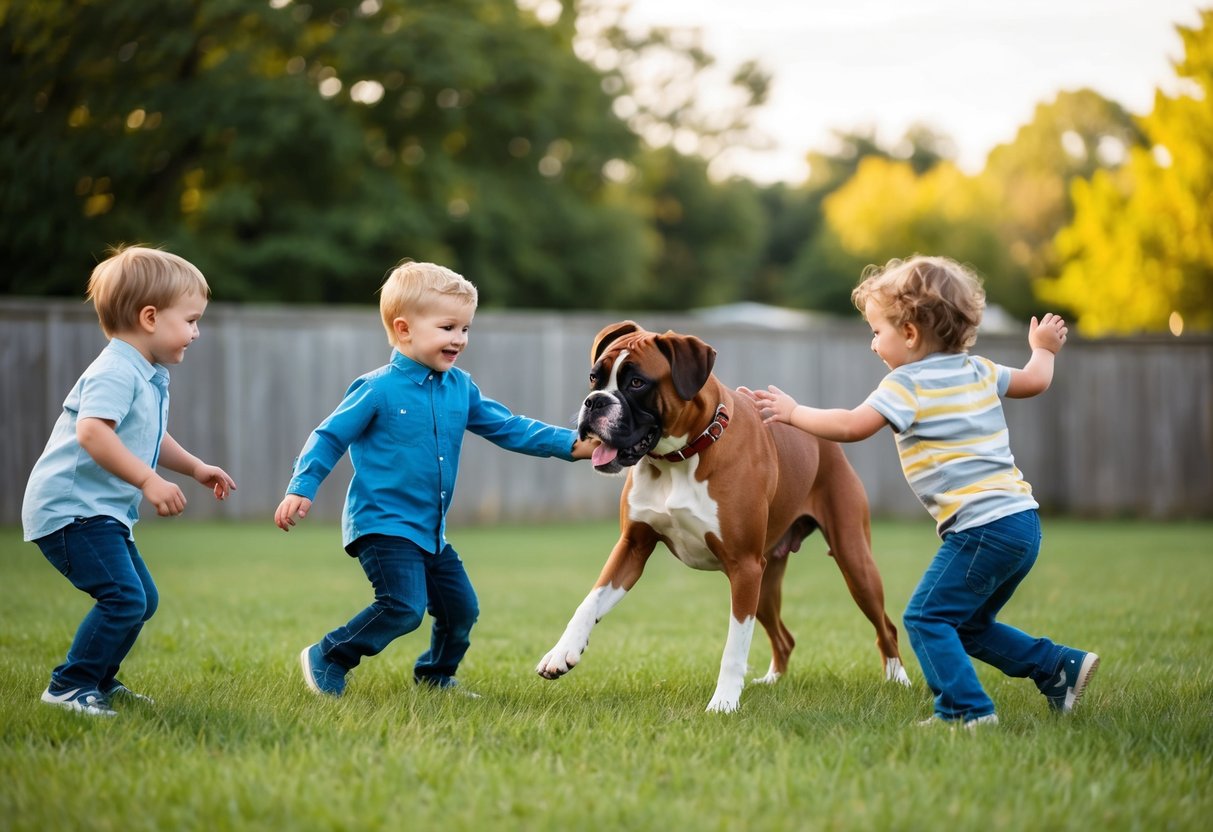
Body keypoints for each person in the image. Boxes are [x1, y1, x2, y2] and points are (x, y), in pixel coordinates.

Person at [741, 255, 1098, 728]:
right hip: (1022, 524)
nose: (873, 345)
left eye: (876, 332)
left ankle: (966, 711)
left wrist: (792, 412)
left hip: (980, 530)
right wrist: (1043, 349)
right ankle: (1057, 666)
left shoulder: (905, 384)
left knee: (925, 618)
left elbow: (849, 426)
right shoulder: (980, 370)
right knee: (966, 625)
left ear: (909, 333)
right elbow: (1035, 381)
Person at [275, 260, 597, 698]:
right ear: (405, 330)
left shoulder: (459, 387)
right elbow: (328, 437)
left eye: (465, 329)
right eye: (448, 327)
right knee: (404, 607)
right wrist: (302, 486)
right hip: (383, 524)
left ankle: (436, 676)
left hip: (431, 532)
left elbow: (510, 427)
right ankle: (329, 655)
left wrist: (572, 443)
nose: (460, 339)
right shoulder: (377, 388)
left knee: (461, 608)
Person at [22, 246, 236, 717]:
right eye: (192, 320)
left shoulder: (146, 372)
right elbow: (93, 433)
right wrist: (148, 481)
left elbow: (149, 436)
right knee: (124, 597)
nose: (197, 332)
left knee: (141, 599)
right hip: (70, 510)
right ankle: (69, 687)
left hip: (99, 512)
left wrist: (196, 468)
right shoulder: (117, 370)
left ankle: (100, 680)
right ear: (150, 317)